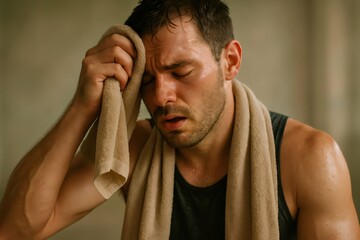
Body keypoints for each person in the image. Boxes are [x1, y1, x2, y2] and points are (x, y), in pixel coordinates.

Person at [0, 0, 359, 239]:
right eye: (147, 80)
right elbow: (17, 228)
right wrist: (82, 106)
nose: (160, 97)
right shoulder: (134, 148)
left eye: (181, 71)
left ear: (230, 61)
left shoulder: (310, 159)